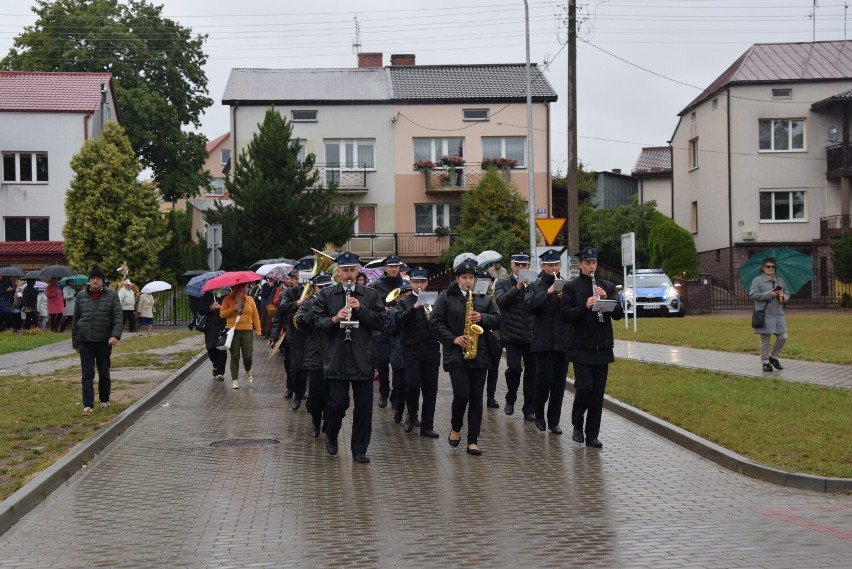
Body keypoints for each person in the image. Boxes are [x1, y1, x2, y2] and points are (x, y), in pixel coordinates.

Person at [311, 252, 384, 464]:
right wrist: (334, 319)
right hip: (336, 358)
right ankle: (331, 434)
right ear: (338, 273)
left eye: (352, 270)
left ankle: (359, 450)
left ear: (357, 271)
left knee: (363, 408)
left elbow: (380, 321)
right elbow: (314, 321)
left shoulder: (369, 295)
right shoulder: (327, 295)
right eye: (345, 271)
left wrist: (361, 310)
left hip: (362, 358)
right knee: (337, 404)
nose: (349, 275)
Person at [430, 259, 500, 456]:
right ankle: (455, 427)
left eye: (471, 278)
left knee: (477, 398)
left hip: (480, 354)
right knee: (462, 395)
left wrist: (483, 318)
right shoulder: (446, 297)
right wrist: (453, 339)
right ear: (457, 278)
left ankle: (473, 441)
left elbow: (497, 320)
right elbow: (435, 323)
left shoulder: (484, 298)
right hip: (456, 354)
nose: (468, 281)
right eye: (464, 278)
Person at [561, 247, 624, 448]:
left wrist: (608, 301)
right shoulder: (572, 287)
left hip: (602, 346)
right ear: (580, 265)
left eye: (594, 262)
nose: (591, 266)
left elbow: (618, 314)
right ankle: (577, 424)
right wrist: (585, 307)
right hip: (581, 346)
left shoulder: (607, 286)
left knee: (597, 394)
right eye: (587, 263)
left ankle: (592, 435)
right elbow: (566, 315)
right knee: (584, 389)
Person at [525, 249, 570, 435]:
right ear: (543, 266)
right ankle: (539, 414)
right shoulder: (534, 286)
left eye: (556, 265)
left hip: (562, 342)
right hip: (542, 341)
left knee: (559, 383)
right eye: (550, 265)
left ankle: (554, 420)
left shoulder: (567, 286)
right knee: (543, 380)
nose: (554, 268)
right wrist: (549, 292)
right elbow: (529, 306)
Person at [395, 266, 441, 438]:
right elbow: (398, 322)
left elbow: (441, 323)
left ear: (427, 282)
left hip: (430, 349)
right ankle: (411, 415)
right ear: (411, 283)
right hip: (411, 349)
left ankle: (427, 426)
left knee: (430, 389)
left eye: (422, 282)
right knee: (412, 385)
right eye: (415, 282)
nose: (419, 285)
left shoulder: (434, 301)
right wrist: (413, 308)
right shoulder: (404, 301)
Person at [72, 266, 123, 415]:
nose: (95, 281)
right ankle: (88, 405)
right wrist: (75, 342)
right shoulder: (81, 296)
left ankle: (104, 400)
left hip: (103, 340)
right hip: (85, 340)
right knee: (87, 373)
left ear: (103, 281)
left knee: (104, 372)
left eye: (98, 278)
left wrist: (115, 335)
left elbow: (118, 317)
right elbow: (76, 319)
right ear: (89, 280)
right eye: (93, 278)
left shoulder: (112, 295)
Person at [494, 251, 536, 420]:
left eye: (523, 265)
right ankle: (510, 398)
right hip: (511, 335)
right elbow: (501, 302)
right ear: (511, 266)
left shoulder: (535, 282)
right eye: (517, 265)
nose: (520, 268)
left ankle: (529, 409)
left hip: (531, 335)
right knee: (514, 368)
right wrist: (517, 287)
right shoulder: (503, 282)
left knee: (532, 373)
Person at [295, 273, 334, 438]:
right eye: (321, 287)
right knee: (316, 393)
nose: (324, 290)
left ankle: (329, 421)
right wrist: (315, 308)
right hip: (315, 354)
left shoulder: (337, 302)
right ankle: (316, 421)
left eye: (327, 287)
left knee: (333, 394)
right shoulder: (309, 304)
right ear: (315, 288)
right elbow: (301, 324)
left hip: (334, 354)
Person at [368, 253, 405, 409]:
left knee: (398, 364)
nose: (394, 269)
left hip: (398, 328)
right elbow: (369, 303)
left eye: (396, 266)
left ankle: (396, 396)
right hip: (382, 328)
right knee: (382, 362)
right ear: (385, 268)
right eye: (391, 266)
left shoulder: (405, 284)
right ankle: (384, 393)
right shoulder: (375, 285)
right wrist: (382, 308)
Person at [748, 257, 789, 372]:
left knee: (783, 336)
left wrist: (782, 296)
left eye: (773, 267)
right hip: (765, 314)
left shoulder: (780, 280)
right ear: (763, 268)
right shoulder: (757, 280)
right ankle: (765, 362)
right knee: (765, 339)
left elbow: (787, 294)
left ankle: (773, 357)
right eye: (768, 266)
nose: (771, 268)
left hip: (778, 314)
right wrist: (769, 294)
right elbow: (752, 295)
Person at [219, 282, 262, 389]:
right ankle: (235, 380)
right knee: (235, 356)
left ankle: (247, 370)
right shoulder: (228, 299)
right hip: (233, 331)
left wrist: (258, 330)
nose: (248, 289)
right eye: (247, 287)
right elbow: (222, 314)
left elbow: (255, 315)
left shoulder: (250, 300)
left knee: (248, 356)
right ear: (240, 288)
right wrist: (232, 308)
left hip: (247, 331)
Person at [198, 288, 228, 381]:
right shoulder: (207, 295)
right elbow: (201, 309)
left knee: (222, 348)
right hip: (210, 326)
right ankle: (215, 364)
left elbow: (230, 308)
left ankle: (220, 372)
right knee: (211, 348)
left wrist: (221, 307)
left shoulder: (226, 295)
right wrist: (211, 308)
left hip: (223, 324)